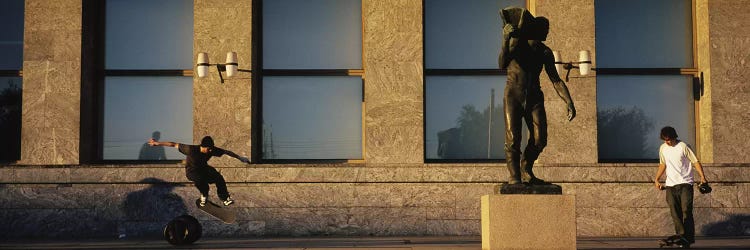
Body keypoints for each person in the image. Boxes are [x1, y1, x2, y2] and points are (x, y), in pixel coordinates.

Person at [499, 10, 576, 185]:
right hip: (513, 95)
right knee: (513, 139)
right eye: (545, 28)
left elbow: (556, 80)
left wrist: (569, 101)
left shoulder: (545, 52)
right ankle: (514, 177)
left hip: (534, 97)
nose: (547, 32)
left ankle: (526, 168)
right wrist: (505, 39)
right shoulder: (517, 44)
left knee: (540, 139)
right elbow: (502, 63)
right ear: (535, 29)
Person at [148, 135, 250, 206]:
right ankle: (204, 195)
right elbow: (173, 144)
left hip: (204, 169)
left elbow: (226, 152)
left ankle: (224, 199)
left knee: (218, 177)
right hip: (192, 171)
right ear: (203, 146)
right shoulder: (190, 149)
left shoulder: (211, 150)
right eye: (208, 149)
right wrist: (157, 143)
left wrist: (240, 157)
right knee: (201, 180)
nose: (210, 151)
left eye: (211, 149)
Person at [653, 126, 708, 247]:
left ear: (674, 137)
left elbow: (695, 161)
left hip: (685, 183)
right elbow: (663, 164)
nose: (667, 142)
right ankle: (682, 236)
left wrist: (702, 177)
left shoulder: (683, 146)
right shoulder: (663, 148)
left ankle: (687, 237)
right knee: (675, 212)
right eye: (665, 140)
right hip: (670, 185)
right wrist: (657, 179)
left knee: (686, 210)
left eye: (669, 140)